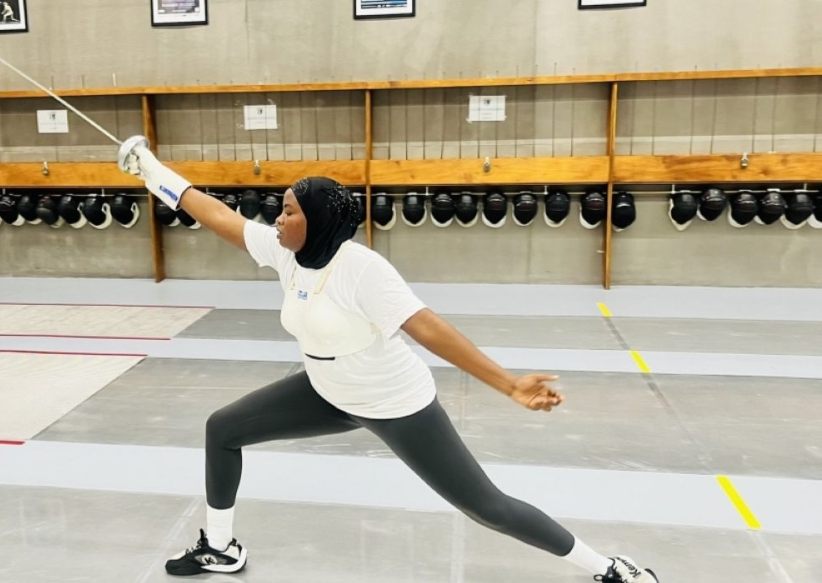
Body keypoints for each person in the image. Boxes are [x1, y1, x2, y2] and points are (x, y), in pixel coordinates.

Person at [116, 136, 660, 583]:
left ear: (318, 221)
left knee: (486, 507)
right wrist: (151, 169)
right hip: (326, 391)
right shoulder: (286, 253)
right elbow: (214, 212)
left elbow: (427, 327)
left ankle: (610, 567)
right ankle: (220, 547)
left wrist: (508, 384)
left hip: (395, 403)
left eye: (289, 211)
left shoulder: (362, 271)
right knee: (223, 429)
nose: (277, 220)